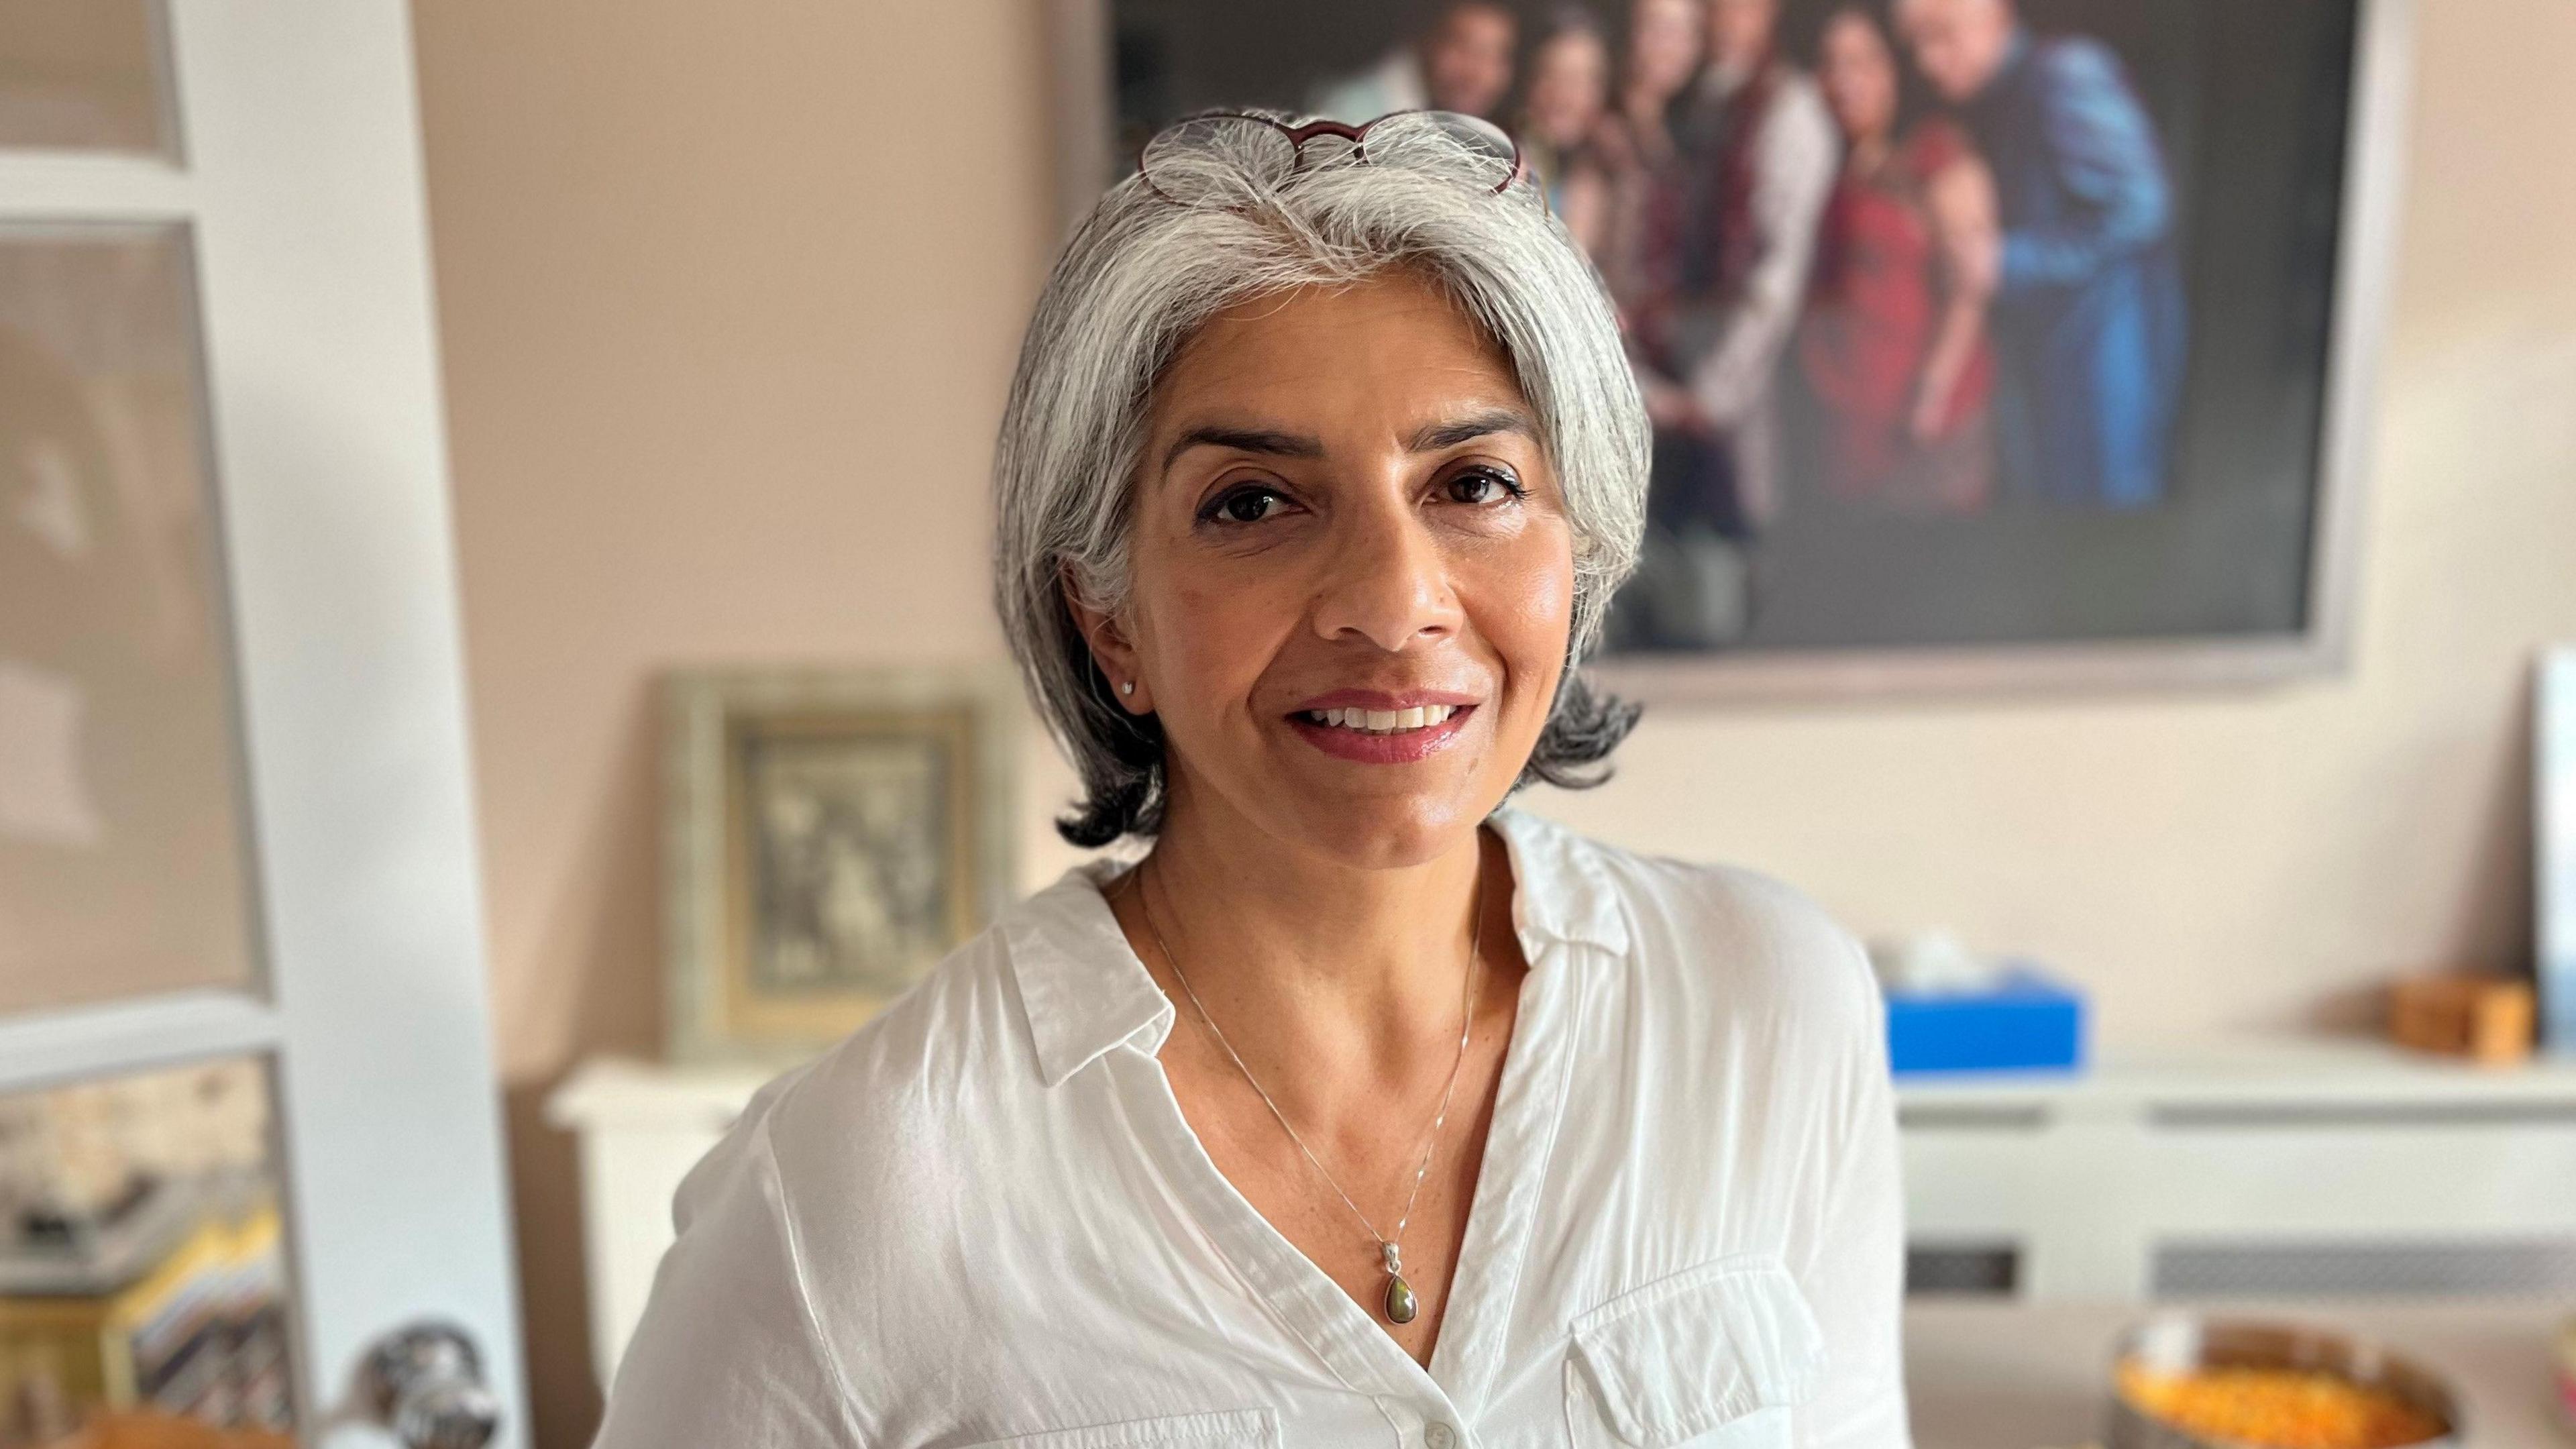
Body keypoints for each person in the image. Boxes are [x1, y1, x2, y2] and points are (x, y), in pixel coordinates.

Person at [592, 110, 1907, 1445]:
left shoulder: (1769, 1009)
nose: (1394, 606)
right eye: (1253, 504)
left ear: (1580, 551)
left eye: (1475, 482)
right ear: (1110, 620)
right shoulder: (857, 1189)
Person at [1895, 0, 2186, 508]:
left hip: (2104, 371)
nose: (1927, 61)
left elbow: (2143, 205)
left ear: (1993, 13)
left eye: (1941, 35)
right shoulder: (1998, 100)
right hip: (2057, 370)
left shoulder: (2065, 73)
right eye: (1914, 43)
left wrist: (2007, 261)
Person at [1798, 5, 1998, 511]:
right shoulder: (1827, 170)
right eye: (1831, 64)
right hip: (1843, 426)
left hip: (1922, 431)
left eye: (1863, 62)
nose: (1845, 81)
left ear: (1895, 70)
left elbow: (1969, 287)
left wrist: (1931, 397)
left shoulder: (1934, 154)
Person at [1309, 1, 1518, 125]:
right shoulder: (1351, 114)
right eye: (1462, 48)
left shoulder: (1462, 127)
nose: (1479, 75)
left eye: (1496, 56)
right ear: (1424, 38)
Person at [1515, 9, 1613, 252]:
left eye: (1578, 80)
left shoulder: (1605, 166)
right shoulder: (1508, 166)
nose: (1562, 96)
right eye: (1550, 75)